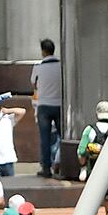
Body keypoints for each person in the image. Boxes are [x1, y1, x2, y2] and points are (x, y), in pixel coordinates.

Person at [31, 37, 63, 176]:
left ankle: (46, 168)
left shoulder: (38, 67)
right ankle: (62, 165)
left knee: (45, 139)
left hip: (44, 106)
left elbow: (33, 83)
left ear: (43, 51)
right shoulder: (61, 66)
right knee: (62, 138)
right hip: (59, 105)